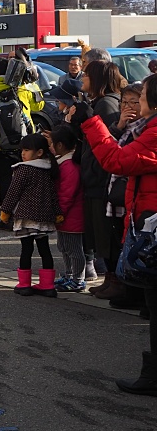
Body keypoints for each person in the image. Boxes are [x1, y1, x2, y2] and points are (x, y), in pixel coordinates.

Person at [75, 75, 157, 395]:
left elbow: (116, 161)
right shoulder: (145, 129)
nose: (137, 102)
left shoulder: (153, 134)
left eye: (143, 96)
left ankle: (152, 378)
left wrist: (93, 122)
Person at [68, 60, 125, 286]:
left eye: (87, 75)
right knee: (98, 232)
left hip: (101, 180)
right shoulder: (98, 102)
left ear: (98, 79)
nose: (82, 78)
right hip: (94, 176)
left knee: (105, 234)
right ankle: (110, 280)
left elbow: (108, 141)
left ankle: (114, 280)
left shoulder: (107, 105)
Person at [0, 56, 45, 225]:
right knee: (27, 180)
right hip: (25, 143)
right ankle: (28, 215)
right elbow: (39, 106)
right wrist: (31, 82)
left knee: (5, 180)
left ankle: (7, 218)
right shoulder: (21, 86)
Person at [91, 83, 144, 302]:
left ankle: (125, 287)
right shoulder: (124, 126)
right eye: (125, 102)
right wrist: (119, 125)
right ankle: (113, 280)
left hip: (131, 195)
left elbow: (121, 157)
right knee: (113, 239)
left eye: (134, 102)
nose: (128, 106)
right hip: (114, 193)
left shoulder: (145, 129)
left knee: (126, 243)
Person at [1, 133, 61, 297]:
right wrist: (57, 213)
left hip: (26, 216)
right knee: (45, 250)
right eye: (22, 150)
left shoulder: (24, 169)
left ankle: (24, 284)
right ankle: (48, 285)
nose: (23, 153)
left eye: (27, 150)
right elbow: (53, 194)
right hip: (45, 217)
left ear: (39, 152)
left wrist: (5, 211)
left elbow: (13, 193)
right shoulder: (49, 169)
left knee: (26, 250)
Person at [50, 125, 86, 292]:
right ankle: (69, 274)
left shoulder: (69, 166)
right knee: (64, 247)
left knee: (74, 250)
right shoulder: (64, 163)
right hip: (66, 216)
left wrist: (59, 212)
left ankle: (78, 279)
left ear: (60, 145)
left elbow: (67, 194)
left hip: (71, 216)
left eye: (51, 144)